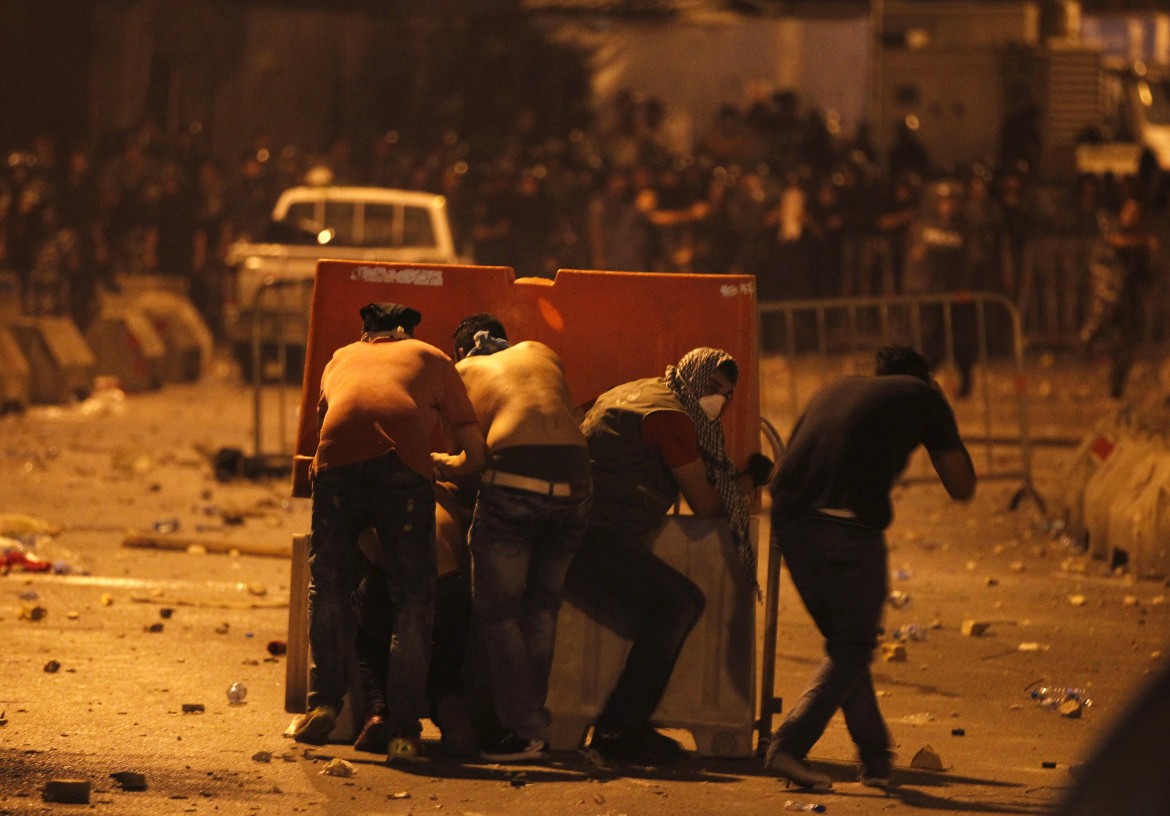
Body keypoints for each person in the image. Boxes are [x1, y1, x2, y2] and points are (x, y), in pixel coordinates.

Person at [764, 346, 975, 791]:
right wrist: (939, 408)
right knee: (853, 647)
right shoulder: (923, 396)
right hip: (845, 530)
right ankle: (788, 746)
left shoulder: (838, 387)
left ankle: (877, 759)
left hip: (789, 524)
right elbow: (961, 484)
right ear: (924, 378)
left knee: (845, 645)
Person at [294, 302, 486, 766]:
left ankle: (323, 702)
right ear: (406, 334)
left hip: (336, 465)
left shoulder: (340, 357)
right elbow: (475, 456)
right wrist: (442, 464)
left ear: (367, 335)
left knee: (331, 586)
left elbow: (327, 429)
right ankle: (404, 733)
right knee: (412, 601)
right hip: (403, 472)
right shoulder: (433, 357)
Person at [564, 347, 773, 763]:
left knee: (673, 604)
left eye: (725, 394)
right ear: (691, 377)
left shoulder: (634, 392)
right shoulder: (672, 418)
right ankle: (619, 732)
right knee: (677, 605)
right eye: (711, 387)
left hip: (574, 526)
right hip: (593, 534)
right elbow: (707, 504)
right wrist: (749, 480)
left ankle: (625, 725)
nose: (717, 400)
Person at [451, 313, 593, 762]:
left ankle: (522, 729)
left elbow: (472, 461)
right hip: (576, 478)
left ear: (461, 351)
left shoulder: (462, 372)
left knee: (498, 612)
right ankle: (534, 725)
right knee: (542, 607)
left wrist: (439, 462)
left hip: (515, 476)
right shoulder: (540, 351)